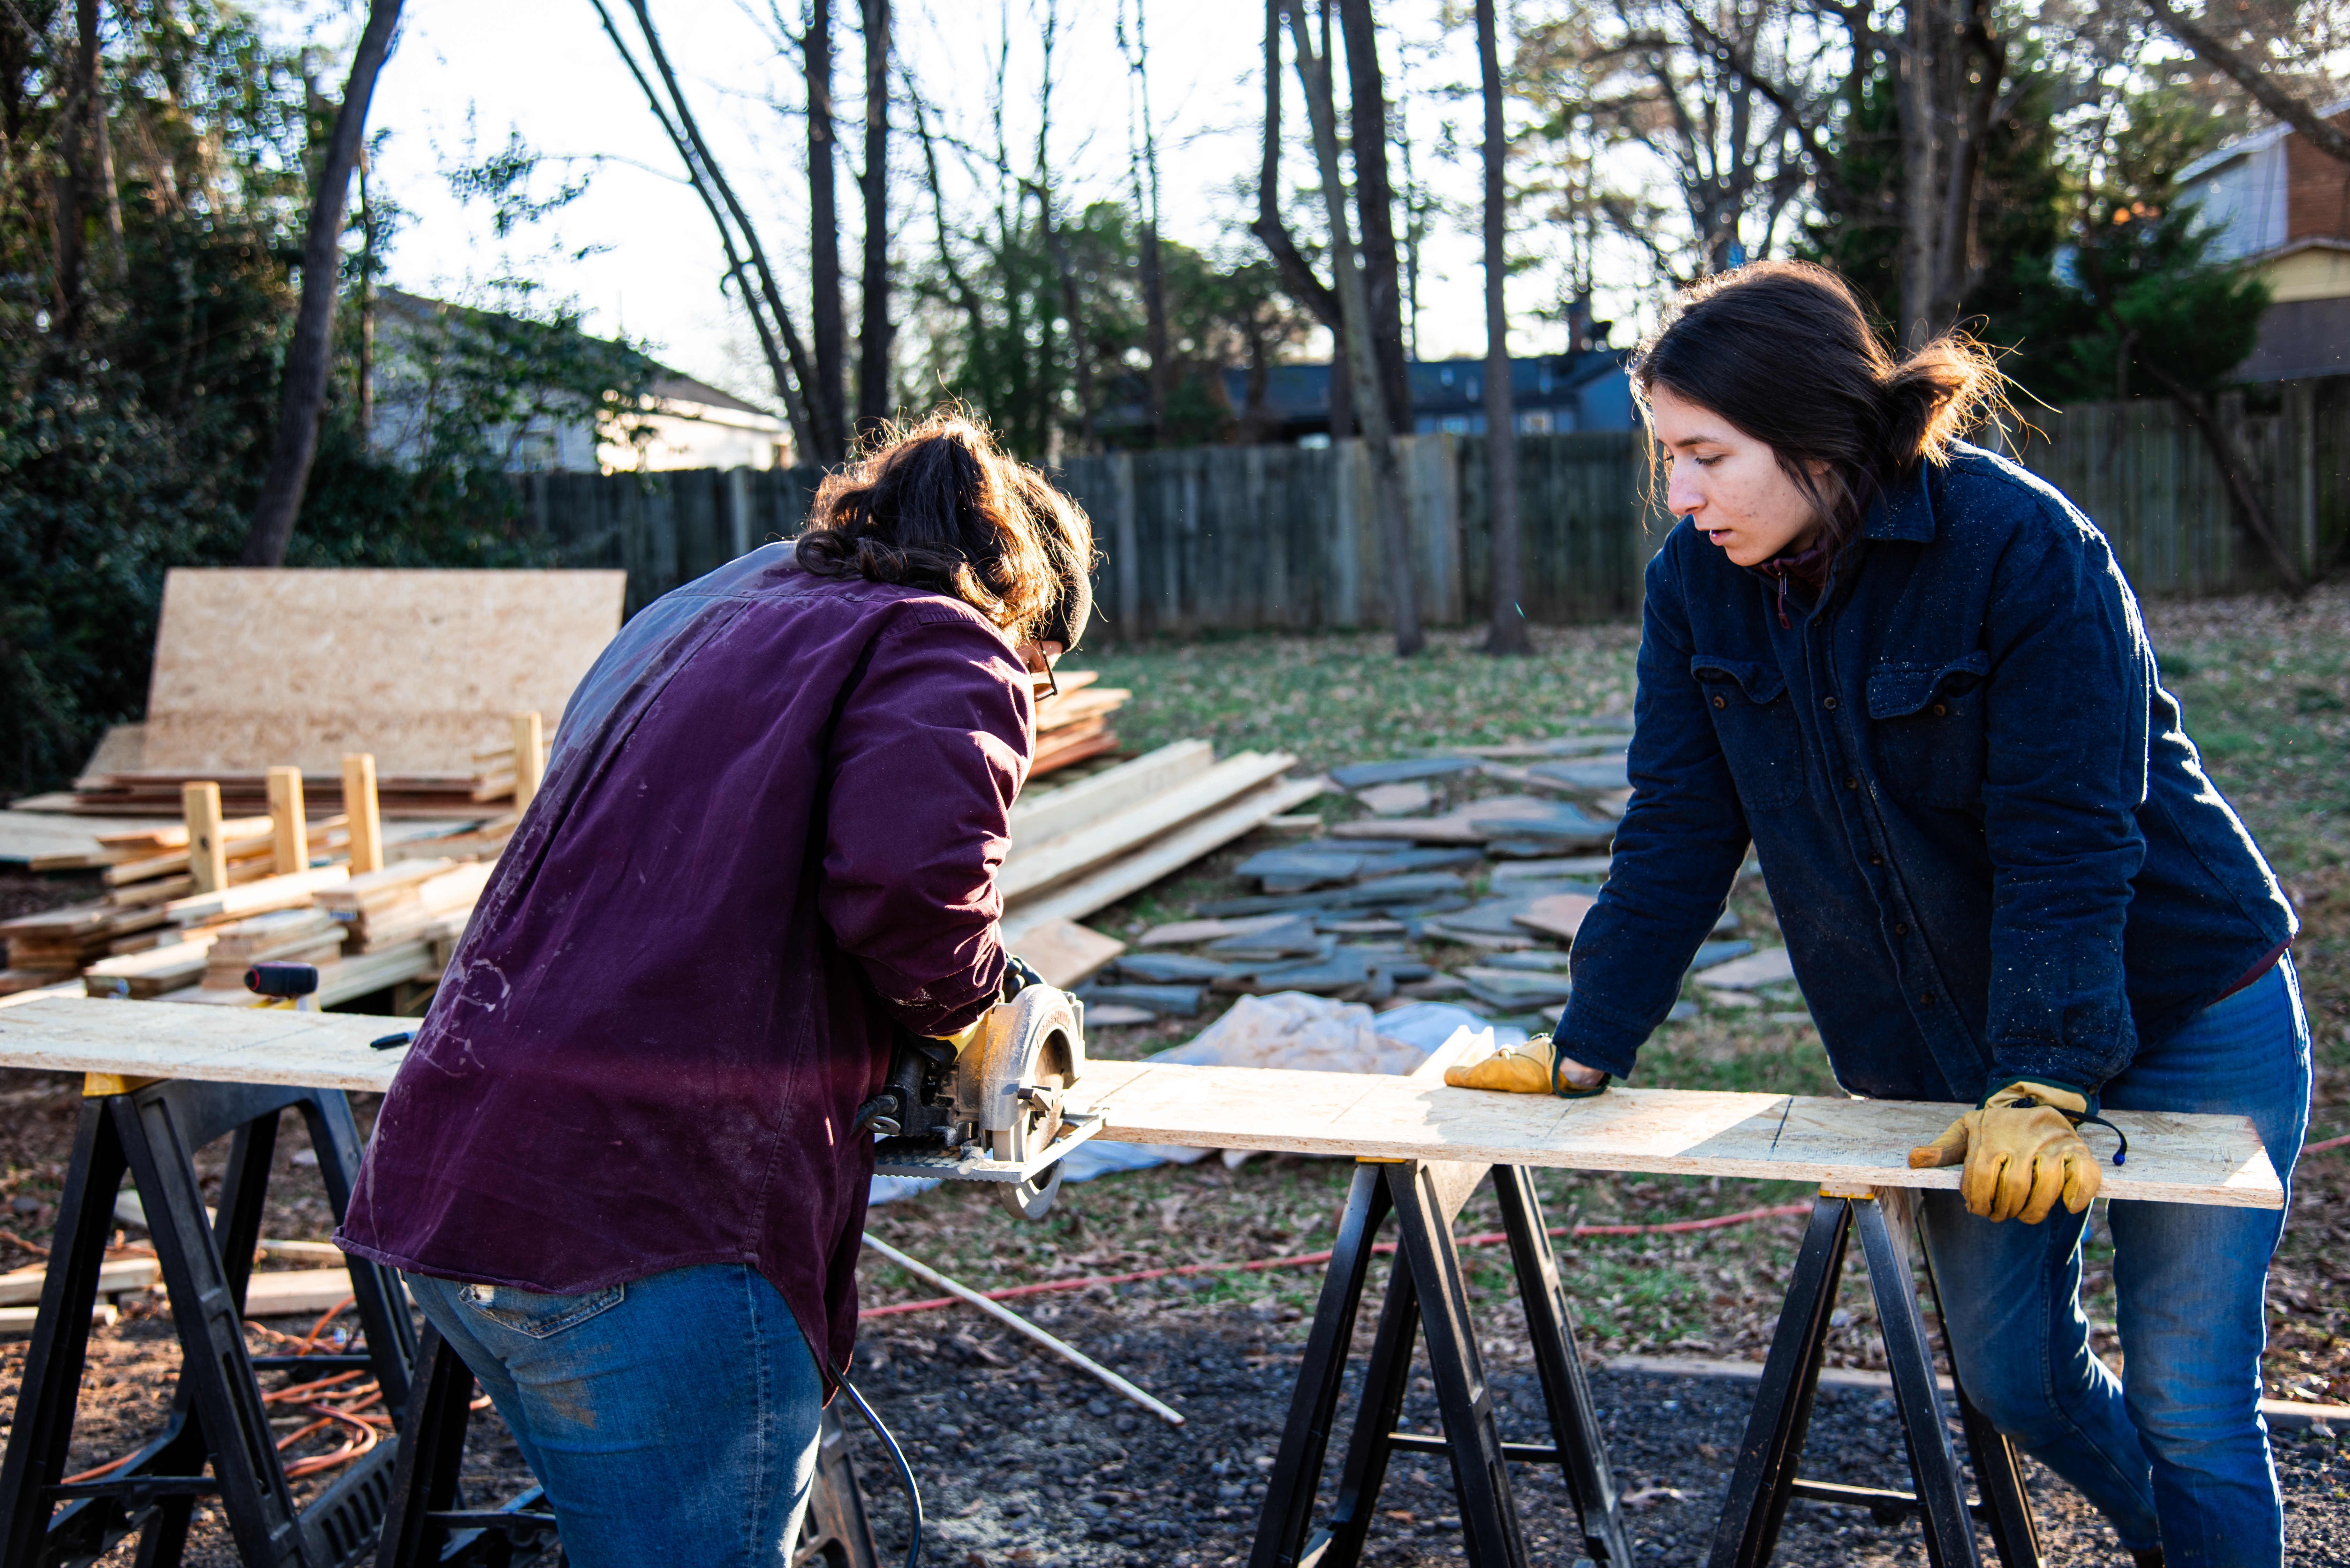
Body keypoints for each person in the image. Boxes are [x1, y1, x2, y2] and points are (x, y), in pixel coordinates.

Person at [1444, 261, 2305, 1568]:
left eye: (1704, 455)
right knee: (2013, 1377)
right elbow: (1679, 823)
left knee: (2191, 1402)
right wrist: (1588, 1035)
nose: (1677, 493)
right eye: (1665, 456)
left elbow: (2067, 837)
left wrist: (2046, 1074)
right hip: (1958, 1045)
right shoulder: (1697, 585)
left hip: (2190, 1005)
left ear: (1812, 432)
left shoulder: (2019, 547)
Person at [337, 411, 1094, 1565]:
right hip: (653, 1222)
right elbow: (911, 900)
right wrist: (978, 1010)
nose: (1031, 691)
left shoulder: (701, 615)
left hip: (458, 1183)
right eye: (1042, 672)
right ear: (1022, 604)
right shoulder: (950, 640)